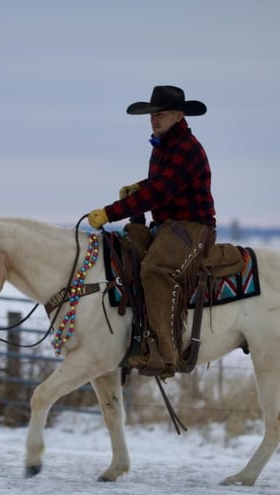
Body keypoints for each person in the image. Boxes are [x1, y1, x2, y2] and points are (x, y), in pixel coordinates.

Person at [88, 85, 216, 375]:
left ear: (179, 115)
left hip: (193, 229)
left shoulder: (186, 147)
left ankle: (165, 355)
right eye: (152, 114)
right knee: (123, 251)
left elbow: (161, 191)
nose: (154, 119)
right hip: (168, 226)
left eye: (161, 114)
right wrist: (138, 188)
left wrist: (111, 212)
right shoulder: (163, 145)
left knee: (155, 270)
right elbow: (159, 185)